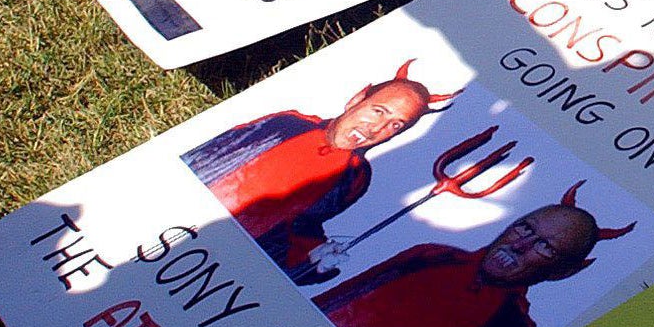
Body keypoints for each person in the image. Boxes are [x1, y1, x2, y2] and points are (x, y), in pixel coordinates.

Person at [311, 181, 633, 327]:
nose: (520, 245)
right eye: (524, 229)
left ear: (564, 272)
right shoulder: (431, 255)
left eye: (545, 247)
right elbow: (327, 303)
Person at [182, 60, 459, 272]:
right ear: (357, 100)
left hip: (224, 260)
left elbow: (300, 228)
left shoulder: (355, 178)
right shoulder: (288, 124)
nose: (377, 128)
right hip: (186, 217)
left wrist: (313, 256)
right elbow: (206, 157)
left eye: (396, 125)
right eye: (378, 111)